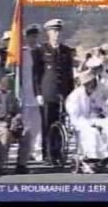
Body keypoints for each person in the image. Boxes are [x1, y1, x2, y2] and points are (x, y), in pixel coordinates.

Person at [32, 19, 74, 164]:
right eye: (53, 31)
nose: (56, 34)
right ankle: (48, 154)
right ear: (48, 33)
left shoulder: (66, 51)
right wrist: (37, 93)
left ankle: (58, 153)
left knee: (60, 123)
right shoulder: (41, 50)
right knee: (47, 125)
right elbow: (36, 74)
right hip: (47, 92)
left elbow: (69, 75)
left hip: (62, 93)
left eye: (58, 31)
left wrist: (71, 94)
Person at [65, 70, 108, 173]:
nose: (93, 84)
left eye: (94, 82)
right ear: (86, 84)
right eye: (91, 82)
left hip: (92, 118)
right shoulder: (75, 97)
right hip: (80, 122)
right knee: (92, 131)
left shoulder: (95, 92)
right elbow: (75, 117)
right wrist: (91, 123)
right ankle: (93, 158)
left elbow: (102, 107)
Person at [0, 75, 32, 175]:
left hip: (11, 123)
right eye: (5, 82)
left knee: (27, 133)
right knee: (5, 133)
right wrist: (2, 124)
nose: (7, 84)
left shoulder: (10, 95)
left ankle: (21, 165)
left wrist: (16, 119)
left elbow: (17, 111)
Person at [22, 24, 43, 161]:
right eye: (31, 36)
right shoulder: (21, 52)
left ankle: (37, 150)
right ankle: (26, 150)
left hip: (37, 93)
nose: (33, 39)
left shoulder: (41, 52)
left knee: (37, 124)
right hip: (24, 92)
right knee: (25, 124)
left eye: (35, 36)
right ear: (26, 37)